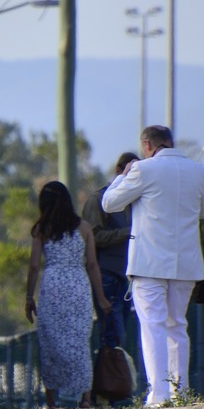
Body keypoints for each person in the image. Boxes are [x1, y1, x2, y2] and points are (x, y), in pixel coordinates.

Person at [102, 125, 204, 406]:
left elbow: (109, 203)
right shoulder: (197, 170)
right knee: (177, 325)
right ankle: (182, 391)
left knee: (152, 325)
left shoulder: (144, 169)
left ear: (147, 145)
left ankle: (159, 393)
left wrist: (123, 177)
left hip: (149, 263)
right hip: (186, 263)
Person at [25, 180, 113, 408]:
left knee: (50, 342)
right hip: (78, 286)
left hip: (52, 287)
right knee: (80, 340)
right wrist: (101, 298)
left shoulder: (41, 230)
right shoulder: (84, 228)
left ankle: (51, 400)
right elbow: (92, 265)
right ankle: (85, 397)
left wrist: (28, 298)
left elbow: (34, 266)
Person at [82, 152, 138, 356]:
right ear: (119, 171)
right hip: (106, 274)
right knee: (111, 336)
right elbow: (91, 237)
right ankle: (108, 384)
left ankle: (116, 383)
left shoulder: (136, 203)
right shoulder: (98, 199)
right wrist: (126, 233)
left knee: (120, 336)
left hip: (126, 277)